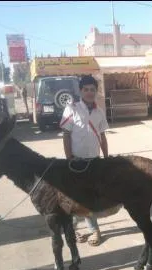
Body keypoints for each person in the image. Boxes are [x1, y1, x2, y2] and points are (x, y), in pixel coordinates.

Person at [60, 75, 109, 247]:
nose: (89, 93)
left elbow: (102, 136)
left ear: (96, 92)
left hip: (94, 161)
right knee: (77, 196)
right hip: (76, 161)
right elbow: (66, 135)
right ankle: (90, 230)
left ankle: (78, 229)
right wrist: (69, 159)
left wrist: (106, 157)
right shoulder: (71, 109)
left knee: (89, 197)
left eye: (92, 90)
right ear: (80, 91)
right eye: (86, 89)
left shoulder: (99, 112)